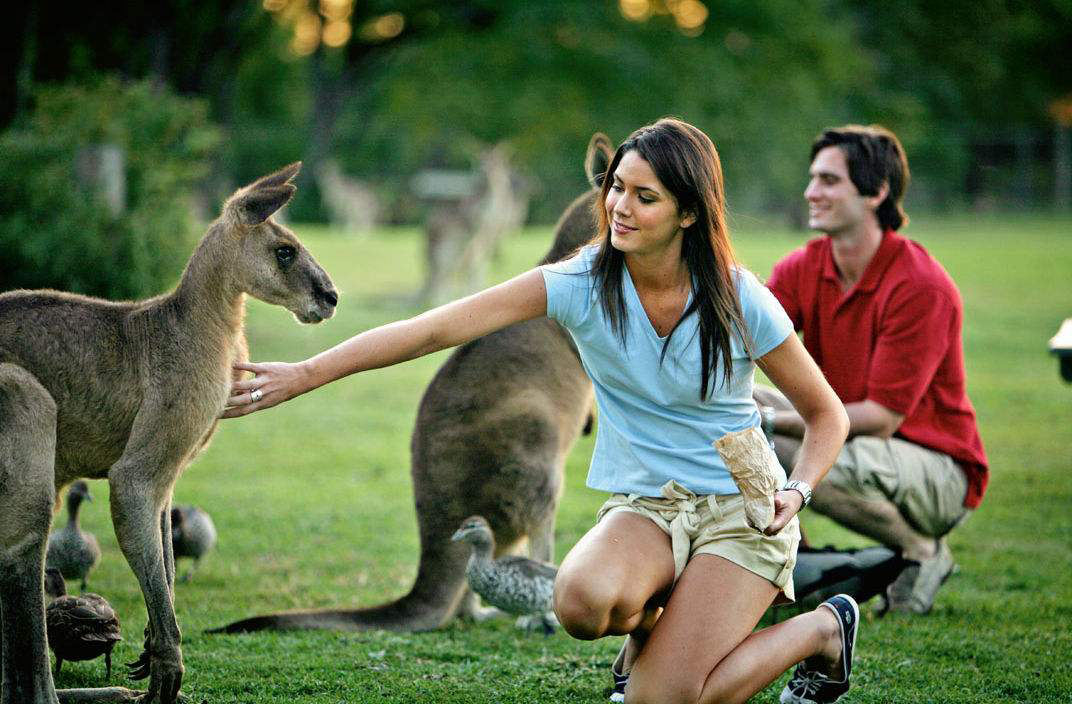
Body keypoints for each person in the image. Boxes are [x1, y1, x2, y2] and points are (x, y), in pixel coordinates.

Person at [224, 118, 854, 704]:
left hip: (741, 510)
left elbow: (827, 416)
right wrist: (306, 372)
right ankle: (664, 628)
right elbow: (430, 330)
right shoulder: (583, 282)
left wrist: (797, 490)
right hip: (651, 506)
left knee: (660, 700)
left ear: (689, 212)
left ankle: (824, 631)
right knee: (577, 602)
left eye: (644, 197)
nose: (618, 207)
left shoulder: (740, 298)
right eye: (616, 189)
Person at [757, 125, 989, 616]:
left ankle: (921, 550)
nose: (810, 192)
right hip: (857, 437)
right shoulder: (803, 267)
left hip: (938, 467)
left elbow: (881, 418)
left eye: (828, 180)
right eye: (812, 178)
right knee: (738, 409)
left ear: (877, 192)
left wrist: (771, 421)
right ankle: (788, 565)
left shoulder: (920, 285)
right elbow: (745, 345)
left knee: (783, 443)